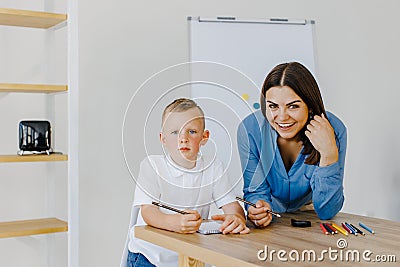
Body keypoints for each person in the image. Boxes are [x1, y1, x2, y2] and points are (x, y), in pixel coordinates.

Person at [126, 98, 249, 267]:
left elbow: (232, 207)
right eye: (175, 132)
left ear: (204, 137)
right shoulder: (151, 165)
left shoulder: (213, 167)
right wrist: (173, 223)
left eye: (191, 131)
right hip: (149, 256)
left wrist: (236, 218)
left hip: (190, 256)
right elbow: (148, 212)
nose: (183, 138)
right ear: (162, 138)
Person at [237, 62, 347, 228]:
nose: (282, 117)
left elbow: (327, 211)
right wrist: (257, 209)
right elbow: (256, 193)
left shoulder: (333, 130)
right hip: (272, 220)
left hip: (310, 216)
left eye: (293, 106)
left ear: (310, 106)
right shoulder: (250, 130)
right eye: (273, 106)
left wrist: (329, 154)